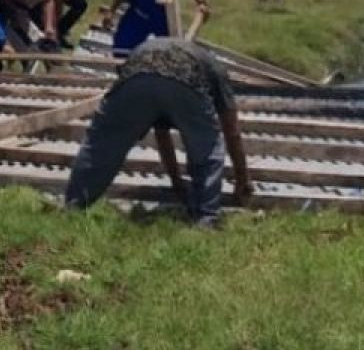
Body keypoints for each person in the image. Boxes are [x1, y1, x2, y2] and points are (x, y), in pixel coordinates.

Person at [64, 38, 253, 226]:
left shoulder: (165, 50)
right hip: (185, 81)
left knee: (101, 145)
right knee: (207, 149)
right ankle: (205, 219)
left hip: (135, 75)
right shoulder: (215, 69)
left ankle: (73, 207)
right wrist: (242, 179)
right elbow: (232, 131)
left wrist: (176, 181)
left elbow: (161, 135)